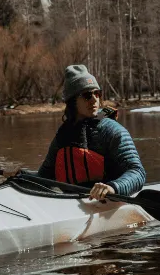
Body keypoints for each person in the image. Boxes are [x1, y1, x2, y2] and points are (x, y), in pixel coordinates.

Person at [29, 65, 146, 201]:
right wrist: (20, 177)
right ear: (72, 101)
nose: (94, 99)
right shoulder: (62, 136)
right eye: (87, 95)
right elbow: (44, 177)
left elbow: (138, 172)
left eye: (97, 94)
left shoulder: (112, 130)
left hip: (110, 200)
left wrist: (112, 187)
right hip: (72, 202)